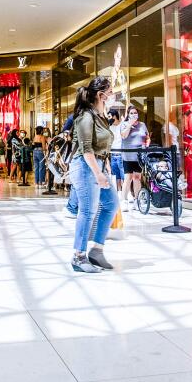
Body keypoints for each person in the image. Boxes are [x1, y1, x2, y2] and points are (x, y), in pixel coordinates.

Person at [68, 77, 120, 273]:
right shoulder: (86, 117)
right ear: (101, 95)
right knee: (88, 210)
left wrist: (103, 169)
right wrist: (98, 173)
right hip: (85, 166)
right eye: (110, 92)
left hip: (97, 166)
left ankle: (97, 250)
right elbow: (86, 148)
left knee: (111, 204)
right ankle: (78, 256)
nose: (113, 95)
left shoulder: (99, 116)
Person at [120, 104, 149, 209]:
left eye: (135, 113)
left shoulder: (142, 125)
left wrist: (146, 144)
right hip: (128, 155)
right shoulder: (124, 124)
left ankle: (137, 200)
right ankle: (124, 201)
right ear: (128, 114)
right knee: (128, 177)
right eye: (131, 113)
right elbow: (124, 136)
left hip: (139, 156)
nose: (133, 114)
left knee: (137, 177)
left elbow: (147, 137)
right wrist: (129, 124)